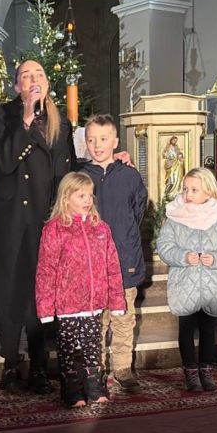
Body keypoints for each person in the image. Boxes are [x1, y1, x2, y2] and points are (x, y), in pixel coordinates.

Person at [0, 59, 77, 394]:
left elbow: (69, 172)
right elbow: (3, 162)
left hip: (44, 216)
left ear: (47, 82)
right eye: (26, 75)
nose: (33, 79)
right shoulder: (0, 115)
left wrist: (109, 162)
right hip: (9, 217)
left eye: (39, 74)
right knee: (9, 288)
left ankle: (38, 365)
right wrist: (25, 120)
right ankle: (10, 363)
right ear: (16, 85)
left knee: (40, 291)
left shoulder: (59, 120)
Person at [36, 172, 126, 408]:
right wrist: (46, 308)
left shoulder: (101, 228)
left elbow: (112, 266)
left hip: (93, 304)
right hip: (67, 304)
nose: (88, 200)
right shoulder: (55, 229)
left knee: (91, 346)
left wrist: (117, 301)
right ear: (66, 197)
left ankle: (94, 387)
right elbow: (46, 270)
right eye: (81, 195)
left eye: (90, 195)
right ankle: (72, 390)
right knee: (69, 349)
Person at [155, 168, 217, 393]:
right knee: (186, 328)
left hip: (212, 283)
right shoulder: (175, 218)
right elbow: (164, 245)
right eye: (185, 189)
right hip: (185, 283)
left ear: (209, 192)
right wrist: (183, 256)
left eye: (194, 190)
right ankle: (190, 369)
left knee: (208, 329)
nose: (188, 194)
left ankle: (206, 368)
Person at [81, 114, 147, 393]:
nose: (97, 145)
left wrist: (126, 238)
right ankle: (95, 369)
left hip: (124, 259)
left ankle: (122, 368)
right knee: (95, 321)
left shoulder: (129, 175)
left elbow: (139, 211)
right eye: (91, 140)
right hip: (91, 263)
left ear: (115, 142)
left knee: (123, 319)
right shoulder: (80, 176)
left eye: (103, 139)